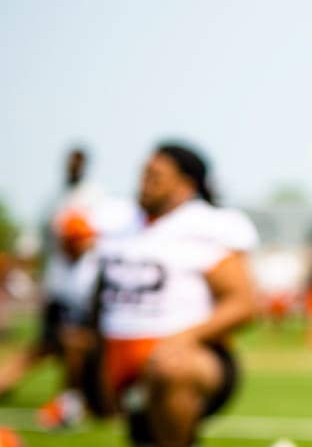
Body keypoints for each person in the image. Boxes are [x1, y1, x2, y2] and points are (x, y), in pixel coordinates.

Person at [89, 143, 258, 447]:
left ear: (184, 185)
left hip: (187, 359)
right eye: (143, 174)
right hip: (119, 353)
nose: (144, 183)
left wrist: (183, 339)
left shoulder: (204, 227)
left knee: (170, 369)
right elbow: (99, 294)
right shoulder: (118, 222)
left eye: (156, 176)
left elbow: (244, 303)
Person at [0, 148, 140, 430]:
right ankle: (69, 400)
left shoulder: (96, 204)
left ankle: (76, 400)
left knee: (76, 352)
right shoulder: (56, 201)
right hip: (62, 299)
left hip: (101, 325)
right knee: (46, 348)